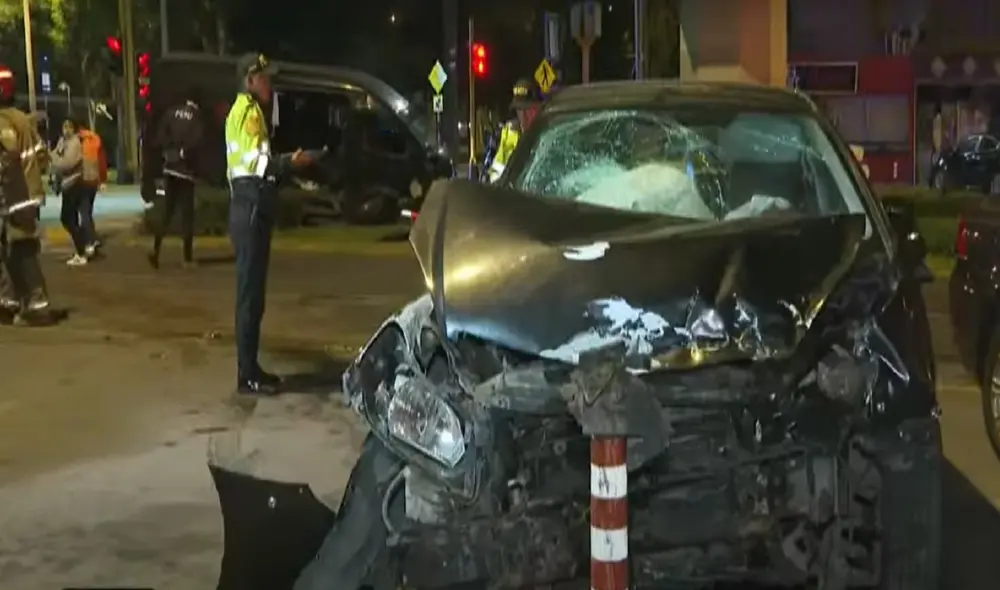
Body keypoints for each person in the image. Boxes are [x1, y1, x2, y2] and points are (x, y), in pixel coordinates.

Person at [225, 52, 311, 395]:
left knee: (253, 295)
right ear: (249, 81)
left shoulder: (246, 111)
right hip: (249, 206)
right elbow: (259, 165)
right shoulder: (248, 113)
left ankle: (250, 368)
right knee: (249, 296)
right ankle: (246, 375)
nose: (269, 83)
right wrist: (292, 162)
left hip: (249, 205)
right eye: (264, 77)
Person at [0, 64, 52, 325]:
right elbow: (41, 155)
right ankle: (8, 302)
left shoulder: (4, 122)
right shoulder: (22, 119)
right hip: (27, 192)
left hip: (15, 195)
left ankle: (37, 305)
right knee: (12, 250)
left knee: (20, 249)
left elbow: (6, 161)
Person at [148, 87, 205, 269]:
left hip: (169, 169)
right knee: (186, 215)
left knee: (166, 213)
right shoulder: (196, 118)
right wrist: (184, 154)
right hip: (186, 172)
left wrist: (169, 153)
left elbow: (158, 138)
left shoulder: (170, 113)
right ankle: (187, 258)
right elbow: (197, 144)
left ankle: (155, 251)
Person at [50, 118, 92, 266]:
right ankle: (82, 248)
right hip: (67, 185)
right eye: (64, 126)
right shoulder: (63, 142)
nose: (66, 129)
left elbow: (66, 163)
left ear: (74, 129)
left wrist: (55, 160)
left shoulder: (74, 143)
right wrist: (55, 158)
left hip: (74, 184)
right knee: (71, 219)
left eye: (69, 126)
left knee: (66, 218)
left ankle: (83, 249)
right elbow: (54, 156)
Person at [487, 78, 541, 182]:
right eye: (519, 110)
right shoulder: (509, 134)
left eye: (527, 110)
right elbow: (496, 171)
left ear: (538, 108)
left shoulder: (548, 133)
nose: (523, 116)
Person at [76, 122, 106, 256]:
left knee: (84, 213)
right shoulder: (95, 139)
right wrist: (103, 180)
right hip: (93, 180)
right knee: (87, 211)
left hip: (81, 180)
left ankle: (90, 241)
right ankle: (92, 237)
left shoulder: (76, 140)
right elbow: (102, 161)